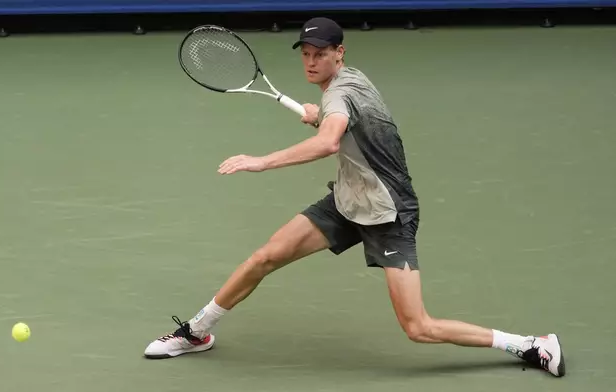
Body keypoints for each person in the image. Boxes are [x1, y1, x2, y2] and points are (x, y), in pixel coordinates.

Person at [143, 17, 565, 378]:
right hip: (348, 200)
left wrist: (262, 160)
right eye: (305, 53)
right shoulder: (352, 81)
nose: (311, 61)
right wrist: (320, 117)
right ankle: (196, 332)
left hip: (387, 211)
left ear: (338, 53)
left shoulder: (341, 93)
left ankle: (529, 344)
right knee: (264, 257)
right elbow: (345, 131)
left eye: (320, 54)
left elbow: (329, 143)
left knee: (417, 327)